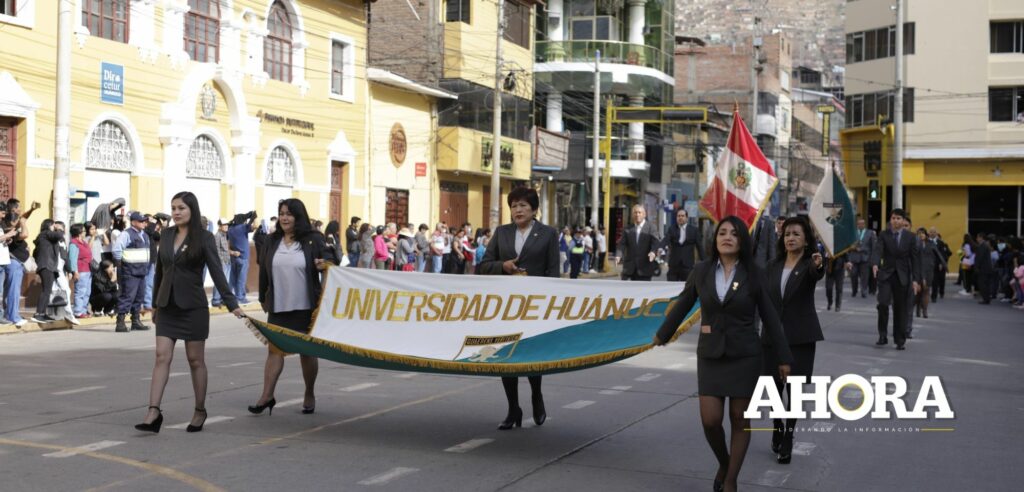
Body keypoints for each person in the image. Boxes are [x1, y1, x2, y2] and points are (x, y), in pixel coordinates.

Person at [654, 216, 792, 492]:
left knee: (740, 418)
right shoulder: (702, 270)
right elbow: (683, 304)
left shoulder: (754, 274)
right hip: (710, 354)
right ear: (714, 240)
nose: (727, 237)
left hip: (745, 355)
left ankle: (730, 481)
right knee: (711, 420)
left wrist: (784, 358)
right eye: (722, 233)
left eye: (734, 234)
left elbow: (770, 318)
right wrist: (662, 334)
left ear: (742, 241)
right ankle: (724, 461)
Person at [135, 191, 244, 434]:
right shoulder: (166, 235)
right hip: (167, 306)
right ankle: (153, 411)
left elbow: (217, 271)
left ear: (192, 210)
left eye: (181, 208)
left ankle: (200, 409)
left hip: (193, 306)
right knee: (161, 356)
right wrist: (155, 303)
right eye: (173, 207)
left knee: (195, 360)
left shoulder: (204, 238)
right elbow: (160, 271)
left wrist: (231, 302)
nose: (176, 212)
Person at [478, 187, 560, 430]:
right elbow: (483, 266)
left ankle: (537, 395)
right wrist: (502, 266)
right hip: (506, 306)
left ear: (534, 209)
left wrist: (551, 303)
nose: (518, 210)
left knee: (531, 354)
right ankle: (513, 408)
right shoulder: (502, 233)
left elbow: (553, 271)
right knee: (506, 356)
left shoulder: (548, 234)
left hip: (535, 305)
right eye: (514, 206)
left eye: (523, 205)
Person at [250, 198, 335, 417]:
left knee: (306, 353)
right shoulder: (272, 240)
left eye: (289, 213)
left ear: (298, 216)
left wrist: (323, 263)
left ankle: (309, 393)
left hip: (306, 306)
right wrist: (262, 296)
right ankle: (266, 396)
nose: (285, 218)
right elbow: (264, 271)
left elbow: (331, 257)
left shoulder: (313, 239)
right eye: (282, 213)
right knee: (274, 351)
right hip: (279, 305)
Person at [763, 216, 823, 465]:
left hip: (800, 335)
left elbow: (816, 273)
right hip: (772, 337)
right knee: (774, 389)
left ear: (806, 239)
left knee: (795, 390)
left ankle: (788, 436)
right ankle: (778, 425)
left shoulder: (811, 263)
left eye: (796, 234)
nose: (790, 238)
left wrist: (819, 264)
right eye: (787, 234)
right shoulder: (773, 265)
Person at [871, 209, 921, 350]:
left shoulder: (910, 237)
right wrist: (875, 264)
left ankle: (900, 339)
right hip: (886, 275)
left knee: (900, 308)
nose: (895, 221)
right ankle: (882, 335)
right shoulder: (884, 234)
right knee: (883, 304)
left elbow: (915, 259)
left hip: (902, 277)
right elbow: (878, 250)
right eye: (893, 218)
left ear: (904, 221)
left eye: (898, 218)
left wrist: (916, 279)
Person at [112, 212, 152, 333]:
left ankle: (135, 321)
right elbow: (117, 249)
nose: (144, 223)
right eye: (141, 221)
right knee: (127, 296)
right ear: (133, 222)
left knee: (139, 297)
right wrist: (120, 265)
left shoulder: (144, 234)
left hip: (141, 270)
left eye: (145, 221)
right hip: (129, 271)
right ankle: (120, 322)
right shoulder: (126, 234)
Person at [3, 199, 38, 327]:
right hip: (14, 263)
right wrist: (22, 224)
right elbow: (25, 234)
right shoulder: (9, 229)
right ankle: (13, 316)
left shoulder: (9, 223)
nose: (21, 212)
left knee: (11, 291)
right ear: (13, 210)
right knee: (13, 291)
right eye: (19, 209)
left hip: (15, 262)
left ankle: (9, 315)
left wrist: (31, 210)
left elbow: (22, 219)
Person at [31, 219, 74, 323]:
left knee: (48, 291)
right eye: (53, 225)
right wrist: (58, 229)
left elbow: (35, 253)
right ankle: (38, 314)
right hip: (47, 266)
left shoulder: (45, 237)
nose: (55, 227)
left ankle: (42, 313)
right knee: (46, 291)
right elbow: (59, 235)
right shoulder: (45, 234)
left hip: (48, 266)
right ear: (49, 225)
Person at [616, 204, 660, 281]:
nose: (637, 215)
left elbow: (655, 242)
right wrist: (618, 255)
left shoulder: (651, 227)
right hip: (629, 268)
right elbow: (622, 244)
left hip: (645, 268)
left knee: (644, 292)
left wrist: (653, 252)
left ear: (644, 214)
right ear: (632, 215)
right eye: (635, 213)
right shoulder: (627, 229)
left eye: (639, 212)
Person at [659, 208, 704, 282]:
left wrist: (705, 263)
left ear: (686, 218)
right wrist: (660, 248)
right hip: (674, 265)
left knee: (687, 289)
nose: (680, 218)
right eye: (678, 216)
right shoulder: (672, 229)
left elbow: (700, 247)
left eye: (682, 216)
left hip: (688, 266)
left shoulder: (694, 230)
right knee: (670, 288)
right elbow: (666, 239)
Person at [228, 211, 257, 304]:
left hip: (233, 256)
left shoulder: (231, 228)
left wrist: (247, 216)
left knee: (234, 278)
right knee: (241, 279)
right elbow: (255, 226)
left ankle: (235, 296)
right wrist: (253, 217)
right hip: (243, 257)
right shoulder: (242, 228)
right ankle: (240, 297)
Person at [69, 224, 94, 319]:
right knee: (80, 292)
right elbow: (72, 259)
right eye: (83, 231)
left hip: (88, 270)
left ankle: (83, 310)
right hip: (81, 271)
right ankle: (78, 312)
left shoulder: (83, 242)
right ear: (79, 232)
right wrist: (75, 271)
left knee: (87, 292)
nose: (85, 232)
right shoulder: (74, 243)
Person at [848, 218, 877, 298]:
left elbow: (873, 247)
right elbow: (847, 246)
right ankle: (854, 290)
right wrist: (853, 248)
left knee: (864, 277)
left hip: (865, 258)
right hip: (854, 258)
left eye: (862, 223)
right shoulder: (852, 233)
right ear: (857, 224)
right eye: (859, 224)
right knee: (853, 275)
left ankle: (864, 291)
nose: (860, 225)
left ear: (864, 224)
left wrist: (872, 259)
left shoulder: (870, 233)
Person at [915, 228, 939, 318]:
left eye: (923, 233)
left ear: (926, 235)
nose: (921, 235)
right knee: (918, 291)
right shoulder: (914, 244)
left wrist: (940, 264)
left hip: (929, 270)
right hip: (917, 269)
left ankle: (924, 310)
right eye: (919, 233)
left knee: (926, 290)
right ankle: (918, 307)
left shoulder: (931, 244)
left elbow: (937, 255)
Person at [210, 219, 232, 308]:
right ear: (219, 226)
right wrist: (221, 264)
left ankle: (222, 300)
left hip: (227, 262)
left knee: (225, 283)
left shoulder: (224, 235)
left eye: (227, 224)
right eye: (224, 224)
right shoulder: (218, 236)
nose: (226, 226)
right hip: (222, 263)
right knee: (219, 282)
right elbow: (216, 251)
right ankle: (215, 300)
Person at [927, 227, 951, 301]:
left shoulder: (940, 242)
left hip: (936, 264)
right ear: (928, 233)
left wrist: (941, 263)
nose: (932, 233)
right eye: (931, 232)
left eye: (934, 232)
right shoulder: (925, 241)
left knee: (935, 281)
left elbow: (942, 254)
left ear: (936, 233)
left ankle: (934, 297)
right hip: (927, 264)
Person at [974, 233, 995, 304]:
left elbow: (980, 257)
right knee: (985, 284)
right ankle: (986, 298)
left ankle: (986, 299)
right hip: (986, 268)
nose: (976, 239)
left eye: (977, 237)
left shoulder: (983, 246)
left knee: (983, 284)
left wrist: (976, 266)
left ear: (981, 238)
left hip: (984, 268)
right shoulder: (984, 245)